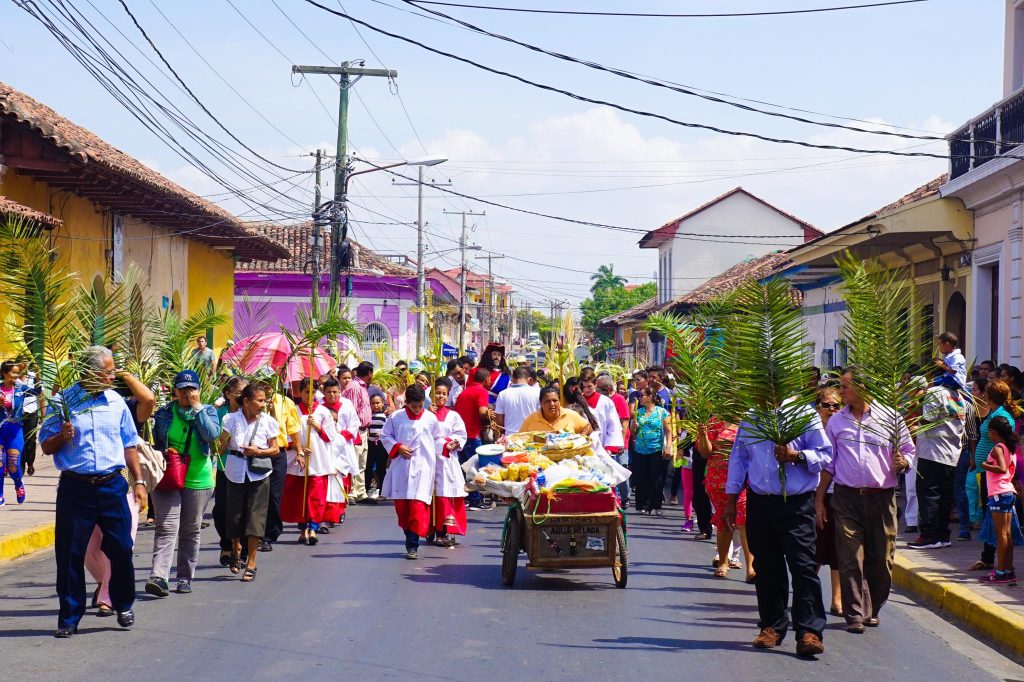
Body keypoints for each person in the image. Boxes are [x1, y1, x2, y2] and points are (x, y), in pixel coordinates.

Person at [40, 346, 146, 637]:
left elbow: (129, 444)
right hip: (76, 487)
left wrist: (139, 481)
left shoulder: (115, 402)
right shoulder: (64, 402)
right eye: (109, 371)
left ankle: (123, 604)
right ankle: (69, 617)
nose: (113, 377)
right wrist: (62, 435)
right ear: (90, 372)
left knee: (121, 548)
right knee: (70, 553)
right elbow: (46, 446)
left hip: (112, 485)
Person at [727, 401, 832, 658]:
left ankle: (809, 631)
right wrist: (731, 497)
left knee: (803, 566)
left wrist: (797, 456)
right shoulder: (752, 416)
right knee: (767, 567)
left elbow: (825, 454)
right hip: (760, 501)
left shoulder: (803, 413)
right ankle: (772, 626)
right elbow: (740, 457)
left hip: (796, 503)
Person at [819, 368, 914, 633]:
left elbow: (909, 449)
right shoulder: (837, 422)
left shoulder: (890, 417)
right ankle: (855, 614)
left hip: (881, 499)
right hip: (846, 498)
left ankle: (873, 607)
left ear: (862, 388)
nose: (841, 392)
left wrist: (904, 461)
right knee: (850, 558)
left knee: (882, 558)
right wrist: (819, 500)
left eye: (846, 387)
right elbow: (828, 464)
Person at [84, 367, 154, 617]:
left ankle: (107, 597)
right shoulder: (84, 405)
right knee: (89, 546)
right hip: (87, 486)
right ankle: (107, 584)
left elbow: (149, 400)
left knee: (120, 544)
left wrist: (125, 375)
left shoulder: (125, 408)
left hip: (121, 484)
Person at [145, 370, 221, 597]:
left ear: (198, 390)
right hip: (169, 475)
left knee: (190, 529)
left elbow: (211, 435)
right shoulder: (164, 413)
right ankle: (159, 577)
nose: (187, 393)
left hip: (198, 478)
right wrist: (164, 451)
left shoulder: (208, 411)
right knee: (166, 527)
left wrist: (197, 409)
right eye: (182, 389)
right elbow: (157, 443)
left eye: (191, 389)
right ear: (174, 391)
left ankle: (185, 577)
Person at [219, 382, 281, 582]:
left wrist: (259, 451)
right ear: (246, 401)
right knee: (234, 516)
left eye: (264, 400)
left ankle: (252, 562)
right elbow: (222, 444)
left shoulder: (268, 421)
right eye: (259, 400)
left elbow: (275, 449)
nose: (263, 404)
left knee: (256, 518)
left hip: (259, 473)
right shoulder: (230, 419)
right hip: (235, 471)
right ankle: (236, 549)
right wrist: (217, 444)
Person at [380, 384, 443, 559]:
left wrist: (448, 445)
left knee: (418, 507)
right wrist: (397, 447)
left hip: (423, 466)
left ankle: (413, 543)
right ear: (407, 402)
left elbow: (437, 439)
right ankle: (408, 533)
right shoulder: (396, 417)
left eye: (420, 406)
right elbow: (385, 436)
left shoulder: (431, 418)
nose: (416, 409)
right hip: (402, 466)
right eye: (413, 406)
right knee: (403, 508)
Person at [282, 378, 343, 546]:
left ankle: (313, 527)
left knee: (315, 496)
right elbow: (286, 436)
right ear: (300, 392)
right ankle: (303, 529)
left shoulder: (323, 412)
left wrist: (317, 426)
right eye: (306, 392)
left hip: (318, 460)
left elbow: (330, 436)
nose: (310, 396)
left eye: (313, 392)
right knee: (300, 496)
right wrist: (298, 447)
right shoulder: (293, 411)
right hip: (298, 460)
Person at [969, 380, 1020, 572]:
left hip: (996, 480)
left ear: (990, 396)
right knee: (992, 520)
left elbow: (1003, 451)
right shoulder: (996, 412)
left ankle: (998, 565)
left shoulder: (1001, 416)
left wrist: (985, 464)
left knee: (997, 524)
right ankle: (992, 559)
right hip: (989, 476)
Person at [909, 380, 966, 549]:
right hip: (950, 453)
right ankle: (942, 535)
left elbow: (928, 419)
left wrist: (917, 402)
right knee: (944, 496)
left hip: (933, 452)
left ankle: (929, 535)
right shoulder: (957, 395)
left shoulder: (934, 392)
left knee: (928, 494)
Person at [697, 416, 753, 578]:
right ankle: (723, 561)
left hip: (745, 479)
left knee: (744, 519)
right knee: (724, 519)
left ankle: (751, 567)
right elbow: (705, 453)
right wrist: (703, 435)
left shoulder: (750, 420)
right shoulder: (714, 422)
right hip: (719, 480)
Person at [976, 416, 1022, 586]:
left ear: (993, 432)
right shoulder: (1009, 448)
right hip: (1007, 493)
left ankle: (1001, 572)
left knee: (1001, 534)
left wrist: (986, 465)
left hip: (999, 494)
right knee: (1007, 534)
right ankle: (1008, 570)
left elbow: (1002, 468)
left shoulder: (998, 448)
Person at [811, 386, 843, 617]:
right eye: (827, 405)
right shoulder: (811, 430)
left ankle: (837, 600)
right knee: (814, 547)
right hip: (813, 493)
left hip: (838, 493)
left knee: (837, 548)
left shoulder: (843, 427)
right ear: (818, 407)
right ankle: (808, 593)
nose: (831, 409)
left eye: (836, 405)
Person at [262, 380, 300, 552]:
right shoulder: (252, 401)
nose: (267, 386)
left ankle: (270, 533)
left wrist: (299, 450)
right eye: (263, 383)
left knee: (274, 495)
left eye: (269, 383)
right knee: (258, 496)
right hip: (258, 452)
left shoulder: (286, 402)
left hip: (278, 453)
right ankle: (257, 533)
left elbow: (293, 429)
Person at [430, 378, 468, 548]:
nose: (441, 396)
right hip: (431, 460)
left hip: (448, 461)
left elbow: (461, 434)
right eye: (438, 393)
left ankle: (448, 531)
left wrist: (455, 442)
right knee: (433, 497)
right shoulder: (425, 414)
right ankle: (434, 530)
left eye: (444, 394)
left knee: (448, 495)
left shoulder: (454, 415)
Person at [213, 376, 247, 565]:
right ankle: (226, 544)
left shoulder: (249, 414)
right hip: (224, 467)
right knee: (221, 510)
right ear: (228, 394)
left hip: (246, 469)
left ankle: (240, 546)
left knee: (243, 511)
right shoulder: (220, 414)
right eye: (239, 393)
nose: (243, 397)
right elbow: (216, 442)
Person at [455, 367, 492, 511]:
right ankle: (475, 501)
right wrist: (489, 414)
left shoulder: (465, 391)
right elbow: (482, 412)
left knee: (464, 469)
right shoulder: (481, 391)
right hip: (472, 434)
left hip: (461, 436)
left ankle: (467, 498)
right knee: (475, 469)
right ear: (486, 379)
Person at [0, 360, 36, 505]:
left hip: (15, 432)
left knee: (13, 465)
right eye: (13, 372)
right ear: (4, 373)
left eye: (17, 372)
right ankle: (0, 495)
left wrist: (27, 374)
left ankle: (18, 484)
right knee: (0, 464)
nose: (16, 375)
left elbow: (38, 391)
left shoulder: (21, 389)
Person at [632, 388, 671, 516]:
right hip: (640, 449)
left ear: (650, 397)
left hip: (656, 448)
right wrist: (634, 427)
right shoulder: (639, 412)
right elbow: (633, 433)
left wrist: (668, 446)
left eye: (642, 395)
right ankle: (642, 504)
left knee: (656, 477)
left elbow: (668, 430)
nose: (640, 398)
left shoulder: (662, 412)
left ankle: (656, 504)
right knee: (642, 477)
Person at [955, 380, 983, 541]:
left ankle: (964, 528)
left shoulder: (967, 406)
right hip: (946, 453)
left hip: (962, 452)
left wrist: (972, 456)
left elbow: (973, 434)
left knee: (960, 490)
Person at [599, 374, 632, 505]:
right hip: (606, 441)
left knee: (620, 468)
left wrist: (621, 443)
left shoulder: (618, 399)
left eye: (599, 387)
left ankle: (625, 497)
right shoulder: (601, 399)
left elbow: (624, 421)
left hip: (619, 441)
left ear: (607, 387)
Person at [347, 362, 375, 502]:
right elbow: (351, 411)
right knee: (354, 462)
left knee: (361, 463)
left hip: (364, 430)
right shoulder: (354, 387)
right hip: (356, 430)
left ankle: (360, 492)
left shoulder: (363, 387)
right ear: (369, 373)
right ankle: (352, 492)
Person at [580, 369, 624, 455]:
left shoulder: (606, 402)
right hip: (582, 446)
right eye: (584, 386)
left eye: (589, 386)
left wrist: (609, 447)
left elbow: (613, 425)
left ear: (595, 384)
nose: (586, 390)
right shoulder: (578, 401)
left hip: (602, 446)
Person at [520, 385, 593, 435]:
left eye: (555, 400)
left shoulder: (570, 415)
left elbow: (588, 426)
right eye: (547, 401)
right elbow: (519, 439)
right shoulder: (530, 420)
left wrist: (582, 438)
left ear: (559, 401)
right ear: (541, 403)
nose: (552, 404)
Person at [494, 365, 540, 436]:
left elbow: (499, 421)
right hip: (531, 436)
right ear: (529, 379)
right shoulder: (538, 392)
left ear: (512, 378)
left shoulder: (502, 394)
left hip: (510, 437)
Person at [17, 363, 40, 477]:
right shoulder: (12, 377)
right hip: (16, 414)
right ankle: (19, 467)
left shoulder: (33, 376)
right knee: (17, 439)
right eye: (21, 364)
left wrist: (43, 413)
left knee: (30, 440)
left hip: (31, 411)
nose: (24, 367)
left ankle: (30, 463)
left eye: (26, 364)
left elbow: (38, 392)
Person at [365, 394, 389, 500]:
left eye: (378, 403)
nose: (375, 405)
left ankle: (382, 490)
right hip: (370, 444)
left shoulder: (385, 417)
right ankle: (366, 489)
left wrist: (382, 434)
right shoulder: (369, 416)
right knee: (368, 467)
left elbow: (388, 430)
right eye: (373, 403)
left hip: (380, 445)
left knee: (381, 468)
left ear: (382, 403)